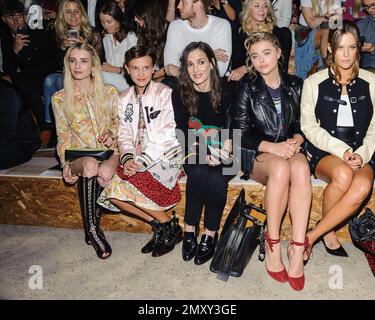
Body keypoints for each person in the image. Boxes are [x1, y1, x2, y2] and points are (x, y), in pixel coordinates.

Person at [230, 32, 311, 290]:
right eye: (255, 56)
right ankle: (273, 242)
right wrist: (274, 148)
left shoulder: (297, 84)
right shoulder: (246, 86)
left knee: (299, 166)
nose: (261, 60)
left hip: (288, 148)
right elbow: (239, 132)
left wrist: (296, 140)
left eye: (266, 53)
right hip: (255, 153)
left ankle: (298, 248)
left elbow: (303, 125)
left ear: (278, 53)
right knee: (280, 167)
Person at [98, 45, 183, 258]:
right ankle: (165, 225)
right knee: (111, 192)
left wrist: (142, 162)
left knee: (132, 180)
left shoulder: (165, 93)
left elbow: (167, 134)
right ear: (127, 69)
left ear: (154, 67)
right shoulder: (123, 97)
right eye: (135, 68)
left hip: (165, 156)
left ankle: (167, 227)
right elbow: (124, 133)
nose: (141, 73)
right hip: (136, 156)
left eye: (146, 68)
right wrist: (127, 158)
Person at [300, 20, 375, 262]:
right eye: (340, 47)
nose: (345, 54)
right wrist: (342, 151)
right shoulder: (313, 82)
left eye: (351, 47)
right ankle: (329, 233)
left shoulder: (372, 81)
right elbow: (308, 126)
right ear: (330, 49)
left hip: (363, 148)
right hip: (325, 149)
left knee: (363, 186)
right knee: (343, 174)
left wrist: (362, 154)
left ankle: (312, 235)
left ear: (358, 49)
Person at [52, 43, 119, 259]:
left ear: (93, 65)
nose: (77, 66)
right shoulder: (60, 98)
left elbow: (119, 124)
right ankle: (91, 229)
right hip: (79, 155)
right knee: (90, 165)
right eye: (73, 61)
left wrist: (112, 132)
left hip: (108, 151)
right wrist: (64, 163)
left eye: (83, 61)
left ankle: (93, 224)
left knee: (105, 174)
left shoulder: (109, 92)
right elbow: (63, 135)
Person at [172, 41, 234, 265]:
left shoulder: (227, 90)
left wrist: (222, 152)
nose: (196, 69)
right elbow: (182, 133)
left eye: (201, 62)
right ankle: (190, 230)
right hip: (192, 148)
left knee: (217, 178)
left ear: (212, 63)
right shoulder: (179, 93)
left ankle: (210, 234)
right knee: (198, 171)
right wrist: (204, 151)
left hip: (227, 148)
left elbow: (232, 128)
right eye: (190, 64)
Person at [43, 0, 104, 145]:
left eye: (76, 11)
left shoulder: (92, 32)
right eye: (68, 11)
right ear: (63, 15)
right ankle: (49, 126)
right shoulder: (58, 33)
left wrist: (86, 48)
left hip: (87, 76)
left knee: (65, 79)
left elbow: (100, 61)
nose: (73, 15)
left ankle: (72, 127)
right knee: (49, 80)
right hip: (65, 74)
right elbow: (51, 64)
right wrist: (63, 49)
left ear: (82, 13)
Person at [1, 0, 56, 147]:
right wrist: (14, 51)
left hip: (44, 77)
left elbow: (49, 64)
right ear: (4, 20)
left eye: (18, 16)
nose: (15, 21)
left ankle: (45, 127)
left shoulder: (41, 34)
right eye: (10, 18)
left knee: (21, 79)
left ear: (25, 17)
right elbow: (8, 70)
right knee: (14, 81)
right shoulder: (7, 41)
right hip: (24, 82)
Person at [163, 0, 232, 78]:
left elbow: (219, 71)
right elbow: (170, 67)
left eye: (183, 2)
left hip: (212, 88)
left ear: (198, 4)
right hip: (182, 87)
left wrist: (180, 70)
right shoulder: (175, 26)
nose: (178, 6)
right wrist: (208, 56)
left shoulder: (221, 25)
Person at [228, 0, 292, 82]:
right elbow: (237, 66)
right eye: (257, 6)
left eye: (265, 6)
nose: (262, 10)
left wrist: (246, 68)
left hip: (273, 79)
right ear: (248, 8)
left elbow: (281, 65)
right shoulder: (238, 33)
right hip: (247, 81)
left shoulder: (279, 33)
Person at [295, 0, 345, 79]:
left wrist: (333, 17)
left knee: (334, 34)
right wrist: (328, 15)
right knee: (326, 33)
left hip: (326, 32)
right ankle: (327, 67)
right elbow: (311, 24)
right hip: (305, 33)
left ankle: (336, 66)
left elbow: (336, 25)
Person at [99, 1, 137, 91]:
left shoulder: (130, 37)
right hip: (112, 79)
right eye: (102, 22)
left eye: (109, 21)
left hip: (129, 81)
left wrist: (116, 70)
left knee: (99, 76)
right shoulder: (106, 38)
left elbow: (136, 69)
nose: (105, 26)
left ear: (118, 19)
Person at [132, 0, 168, 81]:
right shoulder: (142, 34)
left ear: (149, 16)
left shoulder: (168, 31)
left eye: (138, 16)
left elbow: (169, 67)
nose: (135, 19)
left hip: (166, 80)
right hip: (148, 78)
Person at [357, 0, 375, 72]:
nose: (369, 10)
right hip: (367, 69)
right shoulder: (361, 24)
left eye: (373, 5)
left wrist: (373, 49)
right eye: (366, 6)